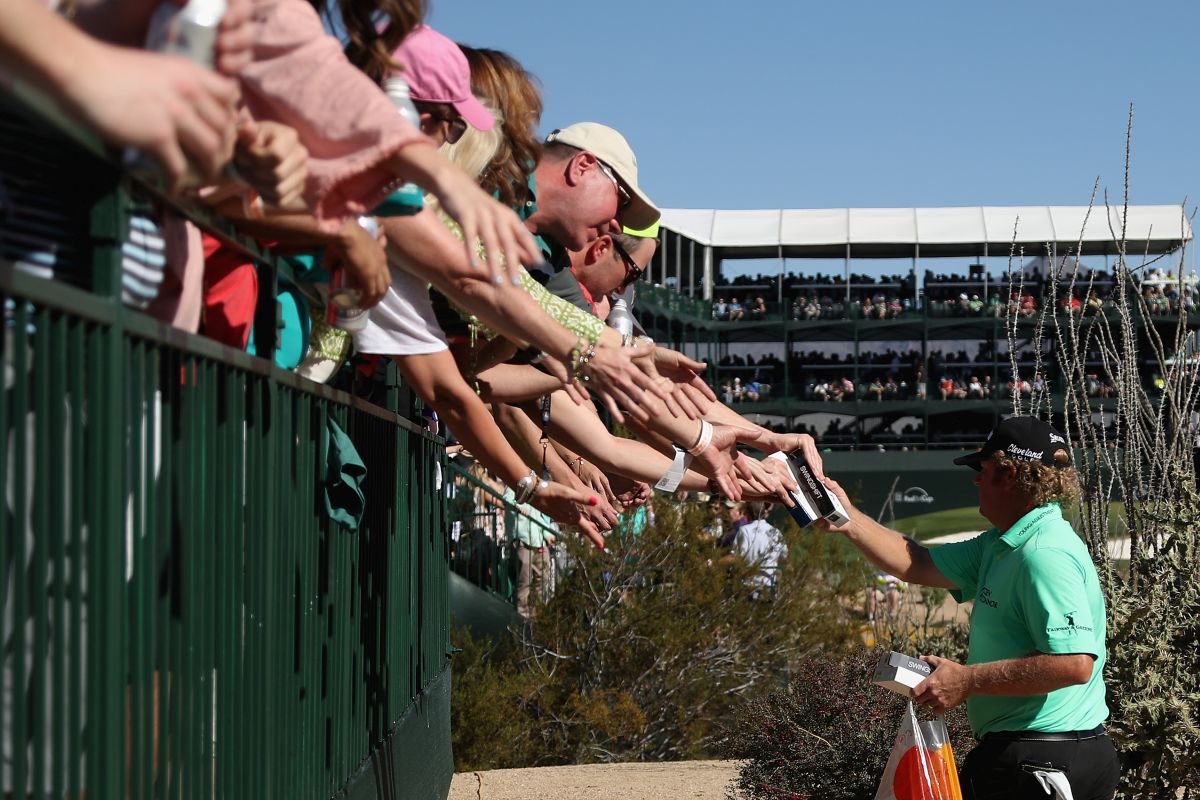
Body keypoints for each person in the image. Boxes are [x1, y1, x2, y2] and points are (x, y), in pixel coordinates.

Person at [819, 416, 1119, 799]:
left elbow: (1074, 663)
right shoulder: (1003, 542)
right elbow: (918, 563)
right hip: (1038, 756)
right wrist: (845, 520)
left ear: (1009, 474)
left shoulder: (1043, 553)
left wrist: (966, 680)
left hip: (1042, 763)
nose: (976, 479)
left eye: (984, 469)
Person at [734, 501, 786, 598]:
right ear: (764, 513)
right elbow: (784, 557)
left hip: (748, 586)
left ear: (747, 513)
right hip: (769, 586)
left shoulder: (745, 531)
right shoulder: (776, 532)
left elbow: (737, 557)